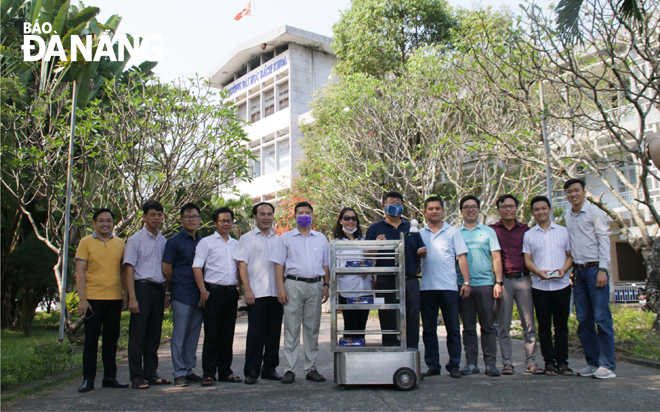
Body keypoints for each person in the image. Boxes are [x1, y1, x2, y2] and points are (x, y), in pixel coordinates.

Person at [269, 201, 330, 384]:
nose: (304, 215)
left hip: (315, 286)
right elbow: (278, 264)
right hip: (293, 285)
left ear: (312, 215)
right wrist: (281, 288)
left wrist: (326, 285)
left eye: (307, 212)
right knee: (292, 328)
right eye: (301, 212)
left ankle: (311, 368)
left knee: (312, 329)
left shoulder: (320, 238)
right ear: (295, 215)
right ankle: (289, 369)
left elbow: (325, 264)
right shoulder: (285, 238)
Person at [564, 179, 616, 379]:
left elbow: (604, 240)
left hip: (596, 270)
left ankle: (608, 365)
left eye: (576, 190)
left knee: (602, 319)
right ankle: (593, 363)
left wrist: (603, 268)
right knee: (584, 320)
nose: (573, 194)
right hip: (578, 273)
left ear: (584, 192)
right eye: (569, 191)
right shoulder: (569, 216)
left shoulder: (594, 212)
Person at [75, 208, 129, 393]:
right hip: (93, 299)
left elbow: (123, 271)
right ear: (94, 223)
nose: (105, 224)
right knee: (91, 341)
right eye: (101, 221)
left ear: (113, 223)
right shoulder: (85, 242)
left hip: (114, 298)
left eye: (109, 221)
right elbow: (80, 271)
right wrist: (82, 299)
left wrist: (126, 294)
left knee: (111, 341)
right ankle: (88, 380)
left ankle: (110, 377)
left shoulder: (120, 243)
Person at [365, 191, 426, 348]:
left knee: (412, 319)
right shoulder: (375, 228)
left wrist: (422, 252)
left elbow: (421, 251)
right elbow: (366, 255)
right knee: (387, 318)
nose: (395, 206)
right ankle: (390, 351)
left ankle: (412, 352)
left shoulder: (411, 228)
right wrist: (376, 246)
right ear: (384, 206)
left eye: (398, 203)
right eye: (392, 203)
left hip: (410, 280)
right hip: (385, 280)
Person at [419, 196, 470, 379]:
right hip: (426, 288)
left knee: (453, 328)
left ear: (443, 211)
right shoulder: (419, 234)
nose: (434, 211)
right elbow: (414, 262)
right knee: (429, 330)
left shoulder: (453, 232)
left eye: (438, 208)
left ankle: (454, 364)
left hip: (449, 287)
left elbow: (462, 258)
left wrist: (466, 282)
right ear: (425, 212)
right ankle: (433, 365)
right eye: (430, 208)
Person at [490, 194, 541, 375]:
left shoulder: (526, 230)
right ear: (499, 210)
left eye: (512, 206)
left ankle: (531, 361)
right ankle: (507, 363)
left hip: (523, 279)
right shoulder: (492, 230)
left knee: (528, 323)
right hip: (503, 281)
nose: (508, 209)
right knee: (504, 324)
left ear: (517, 208)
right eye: (504, 206)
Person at [523, 196, 574, 376]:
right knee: (544, 327)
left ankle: (563, 362)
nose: (541, 212)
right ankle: (549, 362)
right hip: (539, 287)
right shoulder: (529, 235)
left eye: (544, 208)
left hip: (561, 285)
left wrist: (563, 270)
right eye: (537, 209)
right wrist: (538, 272)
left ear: (550, 210)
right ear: (533, 213)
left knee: (561, 326)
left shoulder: (563, 232)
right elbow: (527, 260)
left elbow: (570, 255)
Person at [234, 202, 284, 385]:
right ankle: (251, 371)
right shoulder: (247, 239)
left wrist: (282, 289)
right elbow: (242, 265)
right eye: (262, 214)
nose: (266, 217)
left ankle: (269, 369)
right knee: (255, 334)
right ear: (255, 217)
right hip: (257, 293)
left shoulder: (279, 240)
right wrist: (247, 289)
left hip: (276, 293)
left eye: (269, 214)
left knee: (274, 333)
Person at [192, 207, 242, 386]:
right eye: (223, 221)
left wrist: (241, 288)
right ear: (215, 223)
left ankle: (225, 371)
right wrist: (203, 291)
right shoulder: (206, 242)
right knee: (212, 334)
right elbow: (197, 267)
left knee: (228, 334)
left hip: (231, 293)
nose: (226, 224)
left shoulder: (236, 244)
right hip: (212, 292)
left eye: (229, 220)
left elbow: (240, 268)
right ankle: (208, 373)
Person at [124, 200, 170, 389]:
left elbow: (165, 268)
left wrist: (166, 292)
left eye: (160, 214)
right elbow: (129, 268)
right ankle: (136, 376)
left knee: (154, 334)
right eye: (153, 214)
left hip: (158, 290)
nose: (157, 218)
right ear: (144, 217)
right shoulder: (135, 240)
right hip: (141, 288)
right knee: (138, 335)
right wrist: (132, 297)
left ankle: (151, 373)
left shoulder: (163, 240)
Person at [456, 195, 503, 377]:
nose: (470, 209)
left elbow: (496, 257)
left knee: (488, 326)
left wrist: (498, 282)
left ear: (479, 209)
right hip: (463, 286)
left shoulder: (489, 232)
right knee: (468, 327)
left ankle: (490, 364)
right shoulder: (456, 233)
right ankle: (471, 363)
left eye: (473, 206)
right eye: (466, 207)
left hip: (485, 285)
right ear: (461, 211)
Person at [162, 203, 204, 387]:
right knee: (179, 334)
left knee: (193, 334)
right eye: (188, 216)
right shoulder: (174, 241)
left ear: (200, 220)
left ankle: (188, 368)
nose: (191, 219)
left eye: (195, 216)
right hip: (182, 292)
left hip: (199, 294)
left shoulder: (203, 241)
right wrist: (177, 282)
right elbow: (166, 269)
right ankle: (179, 372)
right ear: (181, 219)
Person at [333, 207, 371, 340]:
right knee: (350, 326)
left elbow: (373, 260)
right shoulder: (336, 243)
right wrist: (356, 267)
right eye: (347, 218)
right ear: (341, 221)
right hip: (347, 290)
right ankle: (348, 356)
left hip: (365, 290)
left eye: (353, 218)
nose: (350, 221)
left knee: (361, 327)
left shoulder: (365, 239)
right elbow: (335, 266)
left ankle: (360, 357)